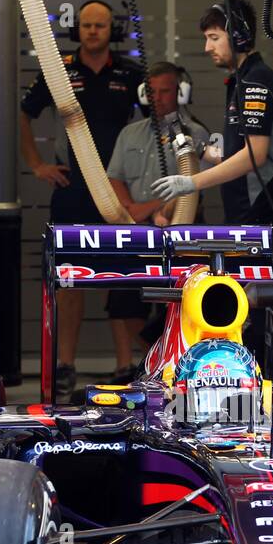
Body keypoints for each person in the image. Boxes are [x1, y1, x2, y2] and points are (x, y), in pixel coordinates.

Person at [150, 0, 273, 396]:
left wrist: (192, 183)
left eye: (214, 37)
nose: (207, 47)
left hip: (265, 215)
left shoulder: (256, 80)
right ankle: (250, 397)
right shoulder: (243, 81)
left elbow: (256, 155)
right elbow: (236, 152)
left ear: (239, 35)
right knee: (256, 317)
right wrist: (203, 152)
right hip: (249, 217)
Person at [20, 0, 144, 400]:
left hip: (117, 190)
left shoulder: (131, 73)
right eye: (87, 25)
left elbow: (152, 124)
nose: (93, 31)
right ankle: (66, 366)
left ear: (113, 30)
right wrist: (38, 164)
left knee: (120, 275)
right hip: (72, 190)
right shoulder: (60, 71)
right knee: (71, 280)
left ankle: (126, 364)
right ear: (78, 29)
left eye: (101, 25)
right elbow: (25, 113)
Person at [105, 61, 211, 381]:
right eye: (152, 91)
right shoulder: (129, 133)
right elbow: (115, 177)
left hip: (182, 230)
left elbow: (194, 183)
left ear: (181, 93)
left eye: (166, 91)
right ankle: (133, 367)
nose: (159, 97)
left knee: (176, 304)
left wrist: (153, 209)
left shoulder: (196, 133)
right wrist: (129, 209)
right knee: (123, 302)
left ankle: (172, 365)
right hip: (135, 229)